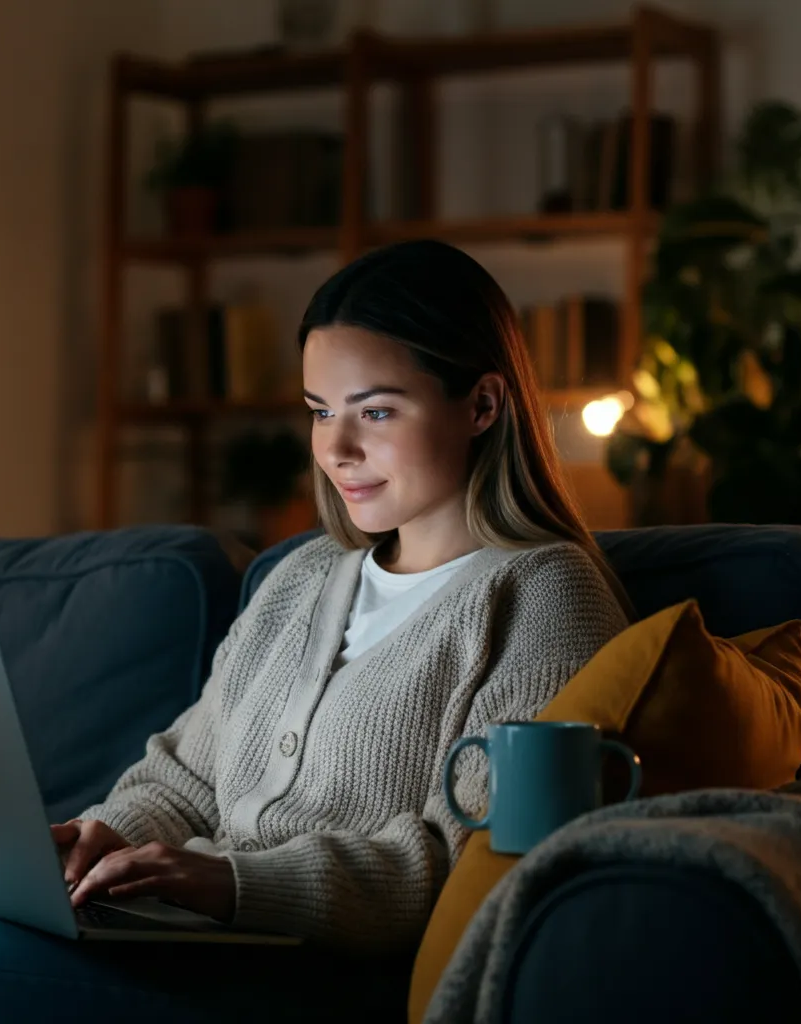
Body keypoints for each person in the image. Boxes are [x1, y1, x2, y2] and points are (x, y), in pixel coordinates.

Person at [54, 239, 632, 950]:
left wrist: (235, 884)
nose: (335, 449)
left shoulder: (542, 601)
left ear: (482, 405)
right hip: (200, 941)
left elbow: (473, 863)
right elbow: (184, 779)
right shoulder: (301, 578)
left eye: (377, 412)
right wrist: (101, 839)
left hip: (335, 969)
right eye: (321, 412)